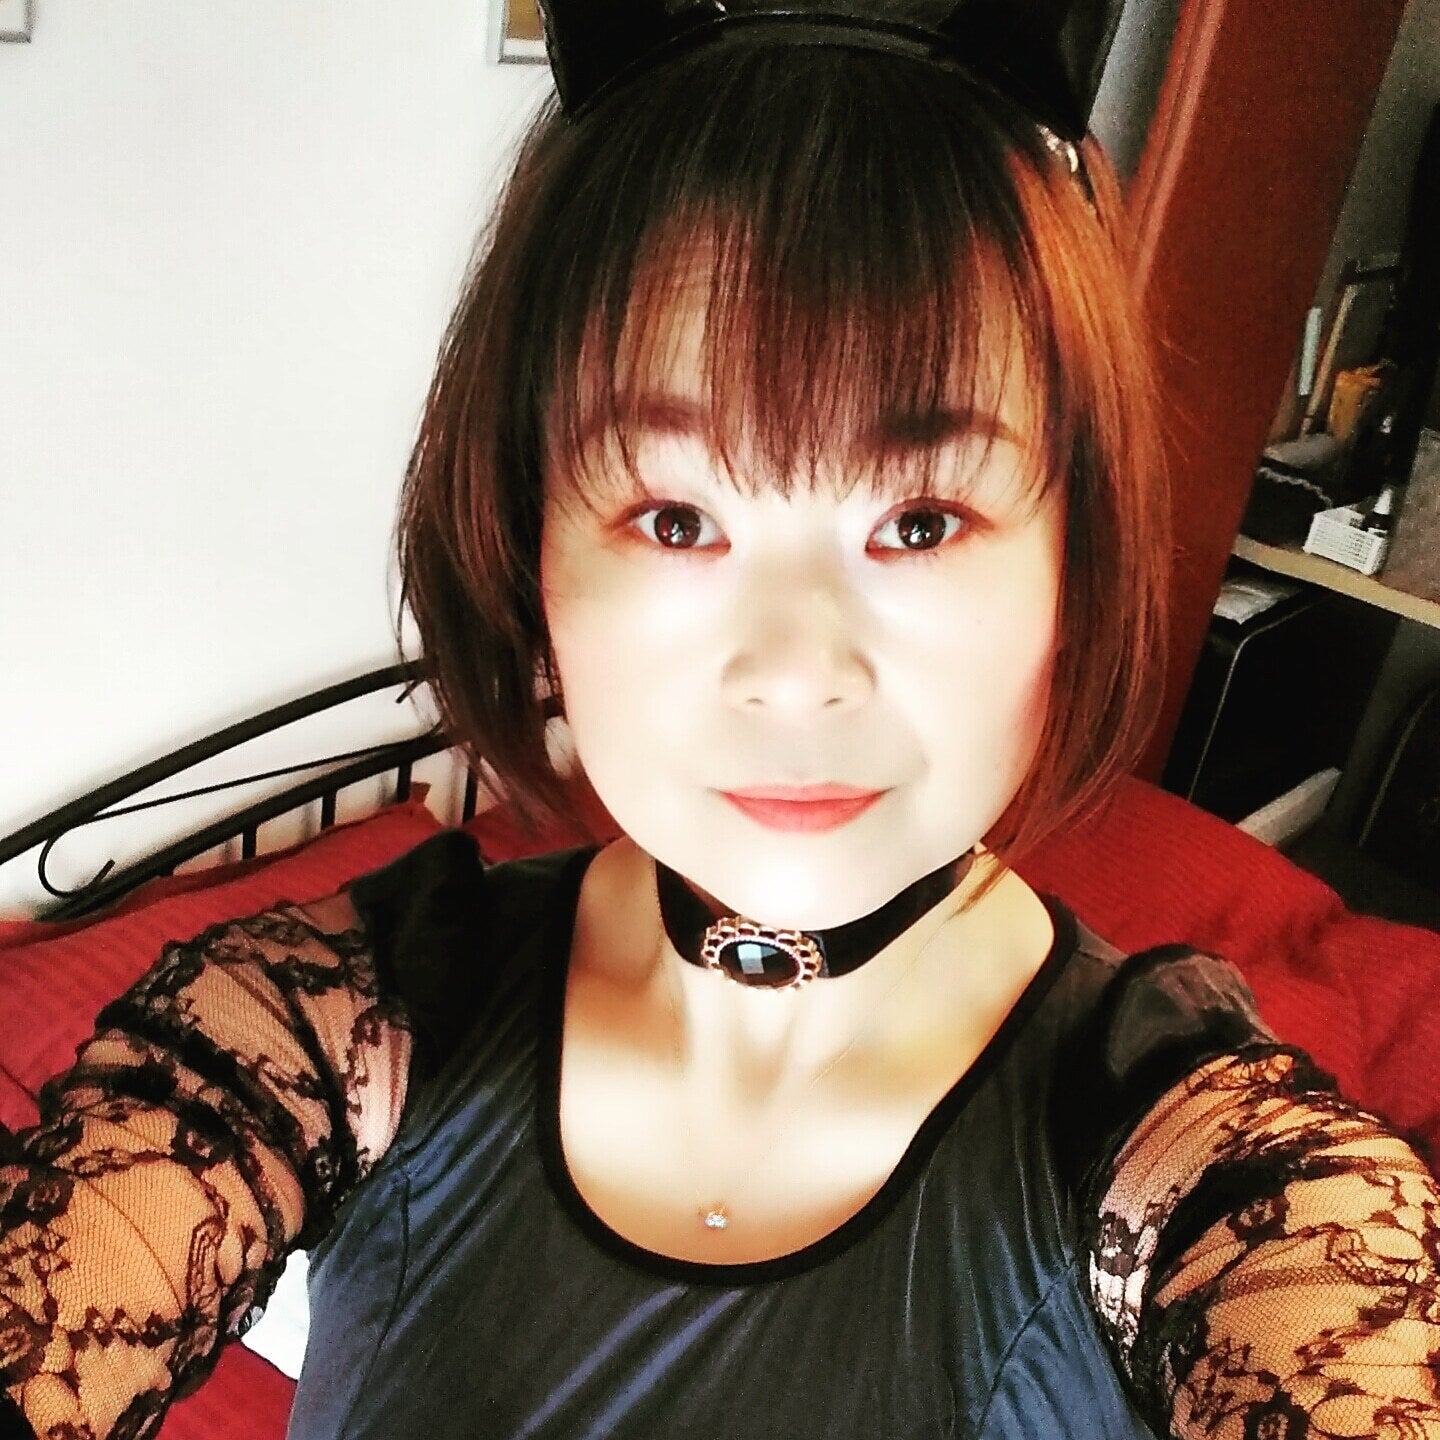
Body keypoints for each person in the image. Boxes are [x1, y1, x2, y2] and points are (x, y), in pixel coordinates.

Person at [2, 2, 1439, 1437]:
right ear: (531, 553)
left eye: (921, 520)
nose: (797, 675)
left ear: (1076, 555)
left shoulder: (1220, 1172)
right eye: (677, 519)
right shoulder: (330, 1022)